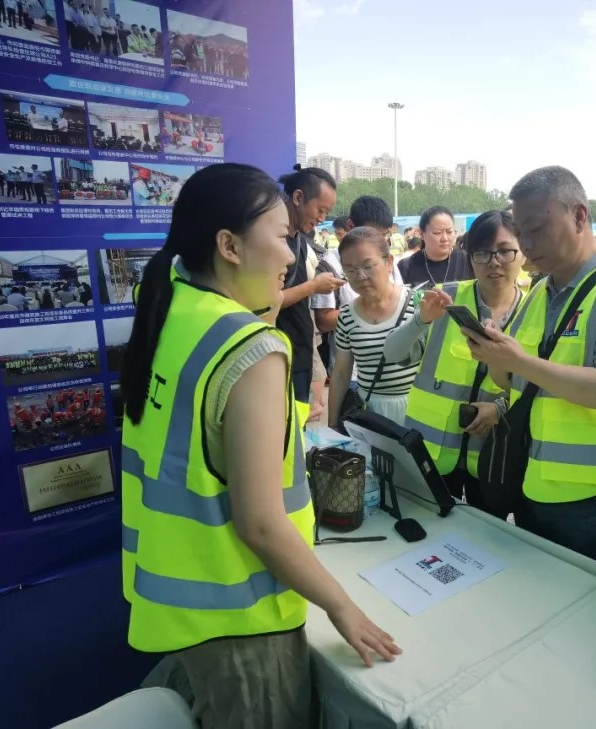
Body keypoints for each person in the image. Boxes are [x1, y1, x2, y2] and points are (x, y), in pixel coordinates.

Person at [120, 164, 399, 728]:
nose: (291, 257)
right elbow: (261, 523)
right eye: (281, 237)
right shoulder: (250, 349)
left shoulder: (173, 304)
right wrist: (341, 606)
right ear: (229, 246)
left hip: (182, 597)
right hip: (242, 616)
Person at [463, 166, 596, 567]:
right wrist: (495, 358)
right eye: (521, 232)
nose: (526, 244)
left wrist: (520, 361)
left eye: (537, 229)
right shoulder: (540, 292)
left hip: (592, 496)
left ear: (580, 216)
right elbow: (513, 381)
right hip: (533, 479)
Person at [384, 209, 525, 516]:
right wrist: (420, 321)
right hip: (431, 453)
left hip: (491, 458)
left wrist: (500, 408)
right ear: (470, 257)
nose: (494, 262)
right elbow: (392, 354)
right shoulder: (445, 299)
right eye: (482, 253)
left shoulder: (534, 310)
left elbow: (535, 386)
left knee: (485, 535)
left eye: (505, 251)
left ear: (522, 252)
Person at [327, 228, 418, 426]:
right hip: (371, 415)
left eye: (368, 266)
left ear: (389, 262)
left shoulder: (417, 304)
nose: (360, 276)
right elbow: (341, 373)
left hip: (418, 410)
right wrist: (332, 424)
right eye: (350, 270)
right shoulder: (347, 315)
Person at [275, 166, 345, 404]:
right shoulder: (272, 242)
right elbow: (267, 301)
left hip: (300, 353)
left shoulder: (300, 242)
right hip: (279, 355)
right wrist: (314, 286)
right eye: (321, 210)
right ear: (298, 197)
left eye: (327, 212)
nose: (322, 218)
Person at [399, 205, 473, 288]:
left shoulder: (469, 262)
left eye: (449, 232)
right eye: (437, 233)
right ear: (422, 234)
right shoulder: (405, 267)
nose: (445, 238)